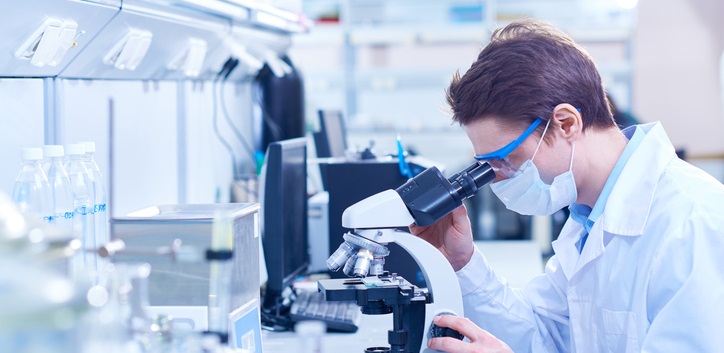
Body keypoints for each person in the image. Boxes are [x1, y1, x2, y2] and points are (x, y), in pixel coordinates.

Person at [410, 19, 724, 352]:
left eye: (506, 158)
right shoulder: (587, 220)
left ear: (566, 123)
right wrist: (463, 263)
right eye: (486, 167)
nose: (497, 178)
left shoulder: (692, 222)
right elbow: (542, 334)